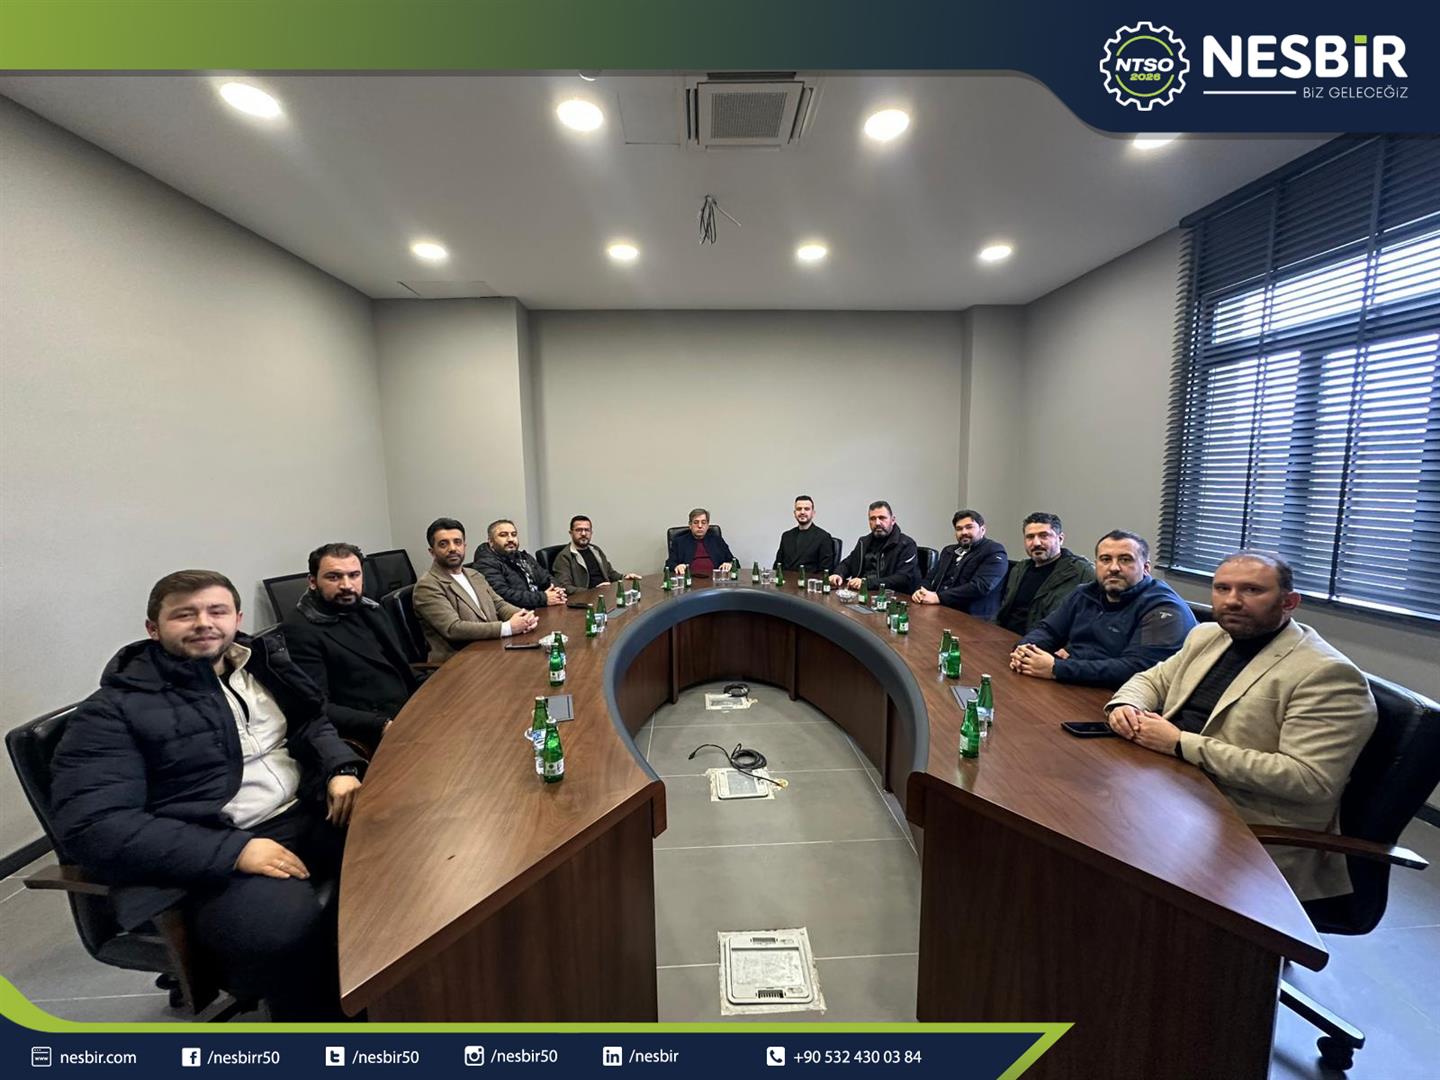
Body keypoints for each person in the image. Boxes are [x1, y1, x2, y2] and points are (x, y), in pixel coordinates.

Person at [50, 570, 363, 1021]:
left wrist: (339, 768)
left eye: (217, 611)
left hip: (305, 809)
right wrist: (233, 851)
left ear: (237, 618)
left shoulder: (262, 665)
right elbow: (93, 825)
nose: (204, 622)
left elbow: (311, 720)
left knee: (404, 851)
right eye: (185, 614)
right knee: (284, 931)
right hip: (215, 850)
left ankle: (406, 991)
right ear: (153, 629)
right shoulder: (112, 711)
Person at [1105, 552, 1377, 901]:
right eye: (1222, 588)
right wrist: (1127, 705)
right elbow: (1152, 680)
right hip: (1179, 787)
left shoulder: (1326, 674)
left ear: (1289, 602)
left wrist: (1180, 743)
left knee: (1112, 859)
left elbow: (1309, 780)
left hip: (1248, 826)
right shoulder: (1208, 636)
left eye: (1251, 590)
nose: (1232, 601)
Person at [1009, 530, 1194, 689]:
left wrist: (1057, 668)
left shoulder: (1165, 609)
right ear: (1096, 564)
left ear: (1146, 568)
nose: (1113, 568)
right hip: (1074, 683)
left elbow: (1138, 669)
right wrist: (1026, 650)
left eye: (1125, 559)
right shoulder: (1085, 593)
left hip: (1124, 701)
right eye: (1105, 559)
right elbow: (1048, 630)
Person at [284, 542, 419, 750]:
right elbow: (317, 706)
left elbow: (400, 666)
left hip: (410, 710)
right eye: (334, 577)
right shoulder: (300, 630)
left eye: (354, 575)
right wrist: (381, 724)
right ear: (312, 581)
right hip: (373, 729)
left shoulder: (370, 609)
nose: (347, 585)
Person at [412, 517, 538, 662]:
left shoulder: (474, 575)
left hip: (492, 650)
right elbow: (453, 628)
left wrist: (524, 617)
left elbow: (499, 604)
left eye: (457, 542)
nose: (452, 548)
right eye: (443, 544)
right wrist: (508, 628)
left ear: (464, 546)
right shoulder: (427, 585)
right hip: (458, 661)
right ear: (432, 551)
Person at [994, 512, 1096, 634]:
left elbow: (1092, 621)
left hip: (1043, 642)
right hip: (1003, 636)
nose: (1036, 543)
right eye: (1030, 537)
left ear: (1060, 539)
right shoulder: (1019, 569)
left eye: (1044, 536)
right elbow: (1004, 610)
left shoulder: (1081, 572)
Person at [911, 509, 1008, 617]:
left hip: (972, 617)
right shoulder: (948, 551)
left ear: (983, 529)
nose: (964, 532)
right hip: (941, 609)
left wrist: (939, 597)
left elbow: (980, 586)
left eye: (969, 527)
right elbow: (930, 578)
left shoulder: (994, 551)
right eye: (959, 529)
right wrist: (920, 591)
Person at [829, 501, 921, 594]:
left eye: (882, 518)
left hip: (889, 596)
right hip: (861, 594)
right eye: (872, 519)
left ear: (893, 520)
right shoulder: (863, 542)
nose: (877, 523)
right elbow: (847, 564)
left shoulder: (906, 544)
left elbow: (903, 578)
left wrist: (866, 583)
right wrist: (838, 574)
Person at [471, 518, 566, 608]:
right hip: (516, 614)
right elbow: (503, 595)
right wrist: (543, 598)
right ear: (491, 541)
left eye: (514, 534)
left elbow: (546, 577)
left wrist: (556, 590)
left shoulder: (523, 557)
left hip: (540, 607)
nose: (510, 539)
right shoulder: (485, 563)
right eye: (503, 535)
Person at [550, 515, 641, 592]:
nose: (583, 533)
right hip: (585, 600)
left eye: (587, 530)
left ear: (591, 533)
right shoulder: (564, 557)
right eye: (579, 530)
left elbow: (610, 574)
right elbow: (565, 588)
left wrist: (625, 577)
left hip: (605, 594)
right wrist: (594, 590)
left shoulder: (595, 550)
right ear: (571, 533)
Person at [773, 495, 837, 575]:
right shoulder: (786, 536)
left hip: (808, 581)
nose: (802, 512)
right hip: (785, 581)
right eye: (799, 509)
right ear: (794, 513)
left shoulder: (823, 537)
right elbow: (777, 566)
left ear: (813, 513)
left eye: (806, 509)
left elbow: (825, 571)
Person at [666, 508, 736, 578]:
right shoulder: (679, 542)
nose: (700, 526)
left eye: (703, 522)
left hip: (715, 580)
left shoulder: (717, 540)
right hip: (690, 580)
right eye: (696, 522)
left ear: (707, 525)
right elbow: (668, 565)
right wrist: (677, 567)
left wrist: (729, 564)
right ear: (690, 525)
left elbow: (734, 562)